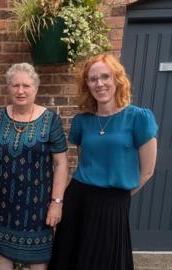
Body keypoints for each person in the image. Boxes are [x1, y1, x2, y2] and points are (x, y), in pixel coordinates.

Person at [48, 54, 158, 270]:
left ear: (117, 79)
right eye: (93, 79)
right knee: (70, 259)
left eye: (105, 77)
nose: (99, 84)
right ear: (87, 85)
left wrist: (117, 196)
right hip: (78, 198)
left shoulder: (139, 118)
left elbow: (147, 171)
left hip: (112, 203)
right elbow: (84, 161)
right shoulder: (82, 121)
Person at [0, 63, 69, 270]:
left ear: (36, 88)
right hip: (2, 205)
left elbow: (60, 164)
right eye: (15, 85)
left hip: (38, 208)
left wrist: (56, 203)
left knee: (38, 263)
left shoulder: (51, 120)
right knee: (3, 259)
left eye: (26, 85)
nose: (20, 91)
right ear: (8, 88)